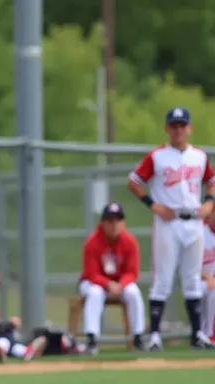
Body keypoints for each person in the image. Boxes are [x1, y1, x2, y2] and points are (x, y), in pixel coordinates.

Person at [128, 107, 215, 350]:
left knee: (192, 279)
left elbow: (211, 181)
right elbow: (134, 182)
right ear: (167, 129)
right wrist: (152, 205)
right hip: (168, 221)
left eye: (182, 125)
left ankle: (198, 334)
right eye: (174, 125)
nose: (178, 130)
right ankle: (154, 335)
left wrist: (209, 202)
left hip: (194, 221)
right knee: (162, 279)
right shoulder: (157, 156)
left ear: (189, 128)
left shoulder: (199, 156)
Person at [77, 203, 146, 354]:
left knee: (134, 292)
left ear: (123, 222)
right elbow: (92, 273)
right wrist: (108, 284)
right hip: (94, 282)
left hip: (120, 283)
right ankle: (91, 339)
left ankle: (138, 338)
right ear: (102, 222)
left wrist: (120, 284)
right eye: (110, 220)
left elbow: (133, 272)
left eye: (117, 220)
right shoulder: (92, 242)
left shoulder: (129, 241)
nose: (114, 224)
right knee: (95, 293)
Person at [200, 212, 215, 344]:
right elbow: (191, 266)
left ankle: (209, 334)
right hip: (196, 280)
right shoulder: (200, 233)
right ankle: (205, 335)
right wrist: (208, 278)